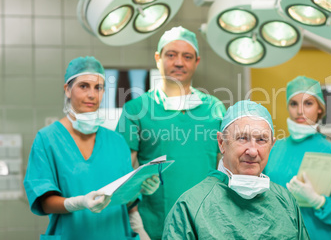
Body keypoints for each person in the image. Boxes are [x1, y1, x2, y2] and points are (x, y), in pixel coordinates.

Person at [23, 56, 160, 240]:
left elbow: (125, 202)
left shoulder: (116, 142)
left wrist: (139, 190)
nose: (92, 95)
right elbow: (44, 201)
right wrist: (79, 203)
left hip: (116, 234)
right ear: (67, 90)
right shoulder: (47, 139)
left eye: (98, 87)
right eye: (83, 86)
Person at [116, 26, 226, 239]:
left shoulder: (214, 109)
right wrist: (137, 189)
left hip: (206, 223)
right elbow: (122, 173)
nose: (178, 62)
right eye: (171, 55)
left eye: (187, 56)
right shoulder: (136, 110)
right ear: (158, 58)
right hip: (155, 224)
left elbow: (227, 167)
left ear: (197, 62)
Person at [162, 100, 310, 239]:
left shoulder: (286, 201)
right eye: (242, 138)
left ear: (272, 145)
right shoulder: (190, 208)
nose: (252, 151)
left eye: (261, 140)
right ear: (221, 143)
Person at [263, 76, 331, 240]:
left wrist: (317, 201)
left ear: (320, 108)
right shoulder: (273, 149)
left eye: (308, 103)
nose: (300, 111)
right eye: (294, 103)